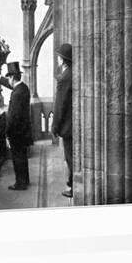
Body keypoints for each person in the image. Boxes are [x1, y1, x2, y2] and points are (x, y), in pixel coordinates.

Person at [0, 62, 33, 190]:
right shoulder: (23, 88)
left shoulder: (17, 93)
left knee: (17, 158)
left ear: (12, 78)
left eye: (8, 78)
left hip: (17, 132)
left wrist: (7, 133)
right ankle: (25, 180)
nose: (8, 81)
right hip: (23, 130)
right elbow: (10, 85)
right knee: (22, 157)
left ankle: (20, 183)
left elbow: (13, 116)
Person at [52, 43, 73, 198]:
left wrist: (55, 127)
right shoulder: (70, 74)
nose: (57, 59)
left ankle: (73, 188)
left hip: (67, 126)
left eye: (59, 56)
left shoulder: (64, 78)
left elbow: (60, 105)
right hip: (72, 124)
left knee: (70, 157)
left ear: (63, 60)